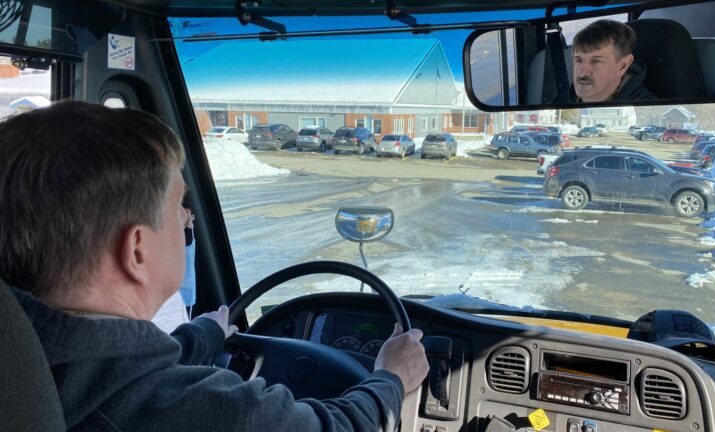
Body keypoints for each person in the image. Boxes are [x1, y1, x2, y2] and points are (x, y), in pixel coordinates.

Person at [0, 101, 430, 431]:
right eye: (178, 206)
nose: (188, 219)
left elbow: (106, 365)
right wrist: (391, 377)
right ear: (136, 251)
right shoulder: (199, 408)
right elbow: (339, 426)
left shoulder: (23, 355)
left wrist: (204, 332)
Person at [568, 19, 657, 103]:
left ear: (622, 66)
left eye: (596, 61)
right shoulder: (561, 98)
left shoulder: (647, 109)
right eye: (578, 60)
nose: (582, 73)